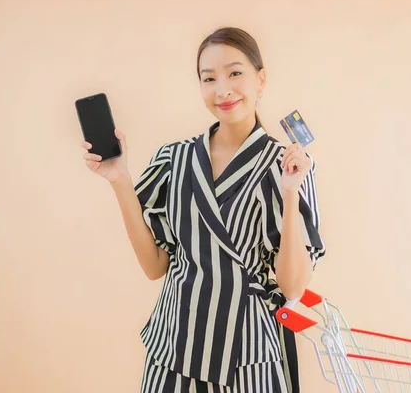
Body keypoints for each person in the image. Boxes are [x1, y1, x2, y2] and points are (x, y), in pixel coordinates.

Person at [80, 26, 326, 392]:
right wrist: (120, 179)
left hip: (247, 354)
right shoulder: (173, 158)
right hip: (174, 346)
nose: (222, 89)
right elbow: (154, 267)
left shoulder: (287, 165)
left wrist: (291, 192)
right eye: (208, 78)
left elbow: (292, 286)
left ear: (261, 80)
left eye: (235, 73)